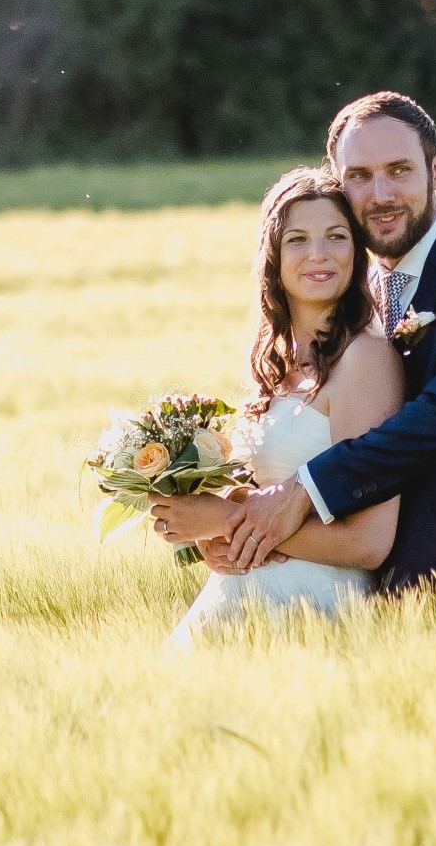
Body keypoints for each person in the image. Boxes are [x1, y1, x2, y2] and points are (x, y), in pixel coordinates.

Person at [172, 91, 436, 598]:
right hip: (363, 591)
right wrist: (236, 522)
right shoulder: (348, 289)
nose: (380, 194)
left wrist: (302, 491)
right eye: (359, 176)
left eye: (399, 170)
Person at [153, 168, 403, 646]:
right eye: (298, 239)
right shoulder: (273, 366)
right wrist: (214, 533)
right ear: (274, 256)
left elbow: (368, 543)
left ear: (357, 251)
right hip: (243, 605)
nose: (319, 253)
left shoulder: (365, 361)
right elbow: (267, 500)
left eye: (336, 236)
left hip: (316, 613)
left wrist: (224, 519)